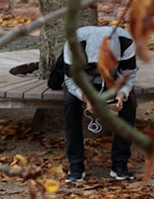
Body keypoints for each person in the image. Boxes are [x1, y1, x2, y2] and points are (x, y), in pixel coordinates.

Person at [48, 24, 140, 183]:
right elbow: (70, 80)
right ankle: (76, 164)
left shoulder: (126, 42)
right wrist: (86, 98)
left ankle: (120, 163)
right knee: (70, 103)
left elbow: (128, 75)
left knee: (129, 104)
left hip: (113, 81)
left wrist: (121, 94)